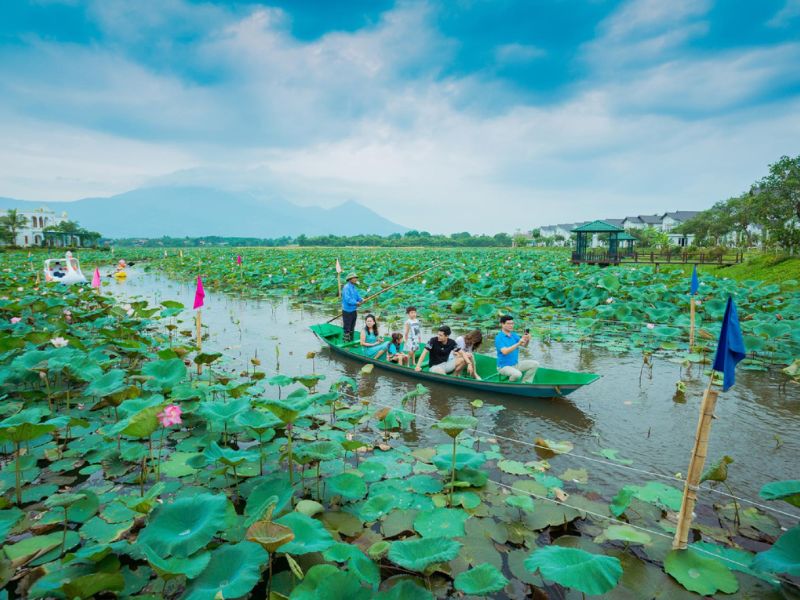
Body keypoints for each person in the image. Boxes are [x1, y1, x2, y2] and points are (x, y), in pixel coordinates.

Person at [495, 315, 538, 382]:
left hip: (515, 364)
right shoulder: (499, 337)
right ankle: (509, 384)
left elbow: (524, 345)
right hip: (503, 367)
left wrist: (527, 340)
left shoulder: (513, 335)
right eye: (508, 324)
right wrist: (518, 343)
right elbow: (505, 352)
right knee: (517, 374)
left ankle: (525, 383)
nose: (511, 325)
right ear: (502, 324)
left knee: (535, 364)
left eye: (512, 323)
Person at [341, 272, 363, 342]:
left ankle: (351, 341)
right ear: (350, 279)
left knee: (352, 327)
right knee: (347, 327)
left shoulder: (353, 287)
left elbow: (357, 296)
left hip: (353, 310)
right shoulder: (346, 287)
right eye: (354, 278)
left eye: (356, 278)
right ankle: (346, 342)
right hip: (347, 311)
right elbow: (348, 299)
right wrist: (356, 303)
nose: (356, 279)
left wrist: (361, 299)